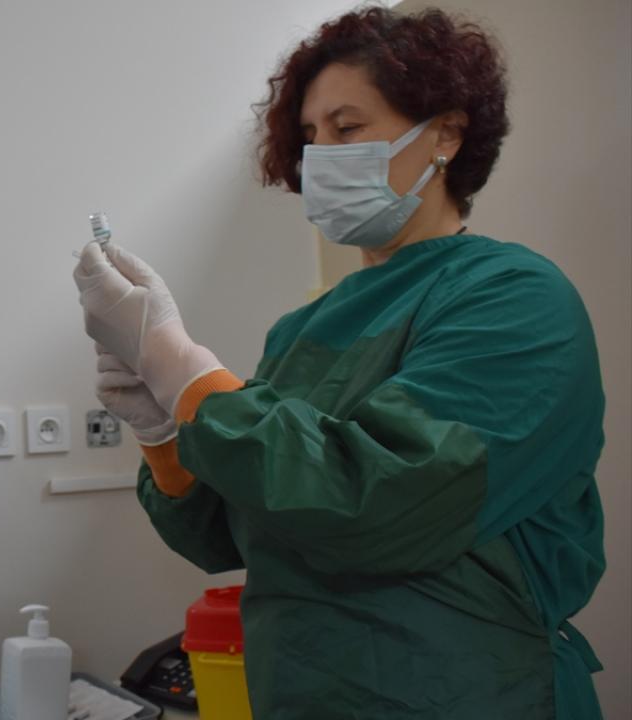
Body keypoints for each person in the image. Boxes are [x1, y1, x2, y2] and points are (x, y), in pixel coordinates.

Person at [74, 7, 604, 719]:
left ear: (447, 133)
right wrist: (161, 430)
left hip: (467, 693)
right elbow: (228, 533)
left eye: (347, 128)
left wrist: (180, 366)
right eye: (310, 136)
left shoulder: (514, 298)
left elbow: (377, 503)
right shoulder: (302, 329)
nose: (320, 155)